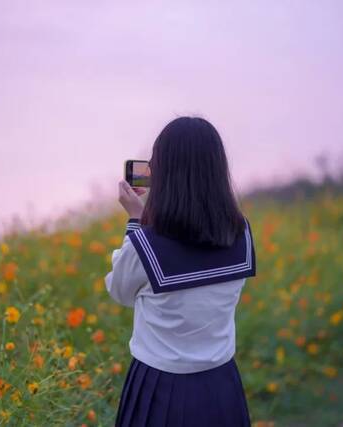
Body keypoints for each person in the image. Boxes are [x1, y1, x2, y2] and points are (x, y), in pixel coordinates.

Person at [105, 116, 256, 427]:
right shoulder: (241, 234)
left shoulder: (146, 244)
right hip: (221, 383)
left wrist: (136, 221)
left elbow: (119, 291)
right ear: (217, 170)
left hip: (158, 388)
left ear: (163, 173)